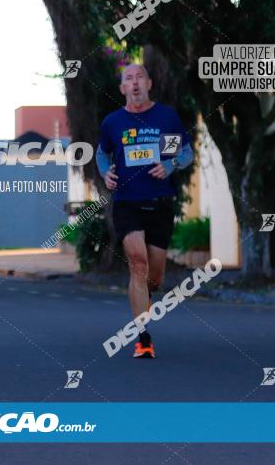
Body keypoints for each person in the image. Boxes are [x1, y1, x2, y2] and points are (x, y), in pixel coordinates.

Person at [97, 64, 193, 359]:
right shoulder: (113, 123)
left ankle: (145, 296)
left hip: (160, 202)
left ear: (149, 83)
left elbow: (184, 153)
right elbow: (103, 152)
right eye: (129, 79)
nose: (135, 83)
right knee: (137, 265)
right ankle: (143, 336)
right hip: (127, 202)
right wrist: (105, 173)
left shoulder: (165, 118)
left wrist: (170, 165)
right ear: (122, 88)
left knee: (154, 278)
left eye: (140, 77)